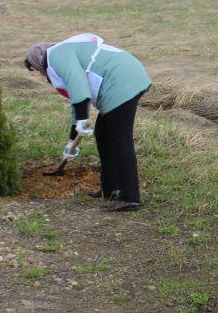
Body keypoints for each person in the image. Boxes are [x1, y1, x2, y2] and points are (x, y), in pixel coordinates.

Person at [25, 33, 152, 212]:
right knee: (103, 133)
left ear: (38, 61)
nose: (39, 73)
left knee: (119, 139)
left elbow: (79, 87)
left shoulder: (56, 57)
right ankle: (110, 188)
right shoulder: (63, 53)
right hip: (124, 76)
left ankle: (129, 197)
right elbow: (75, 98)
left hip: (122, 81)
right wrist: (72, 141)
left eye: (36, 69)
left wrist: (83, 119)